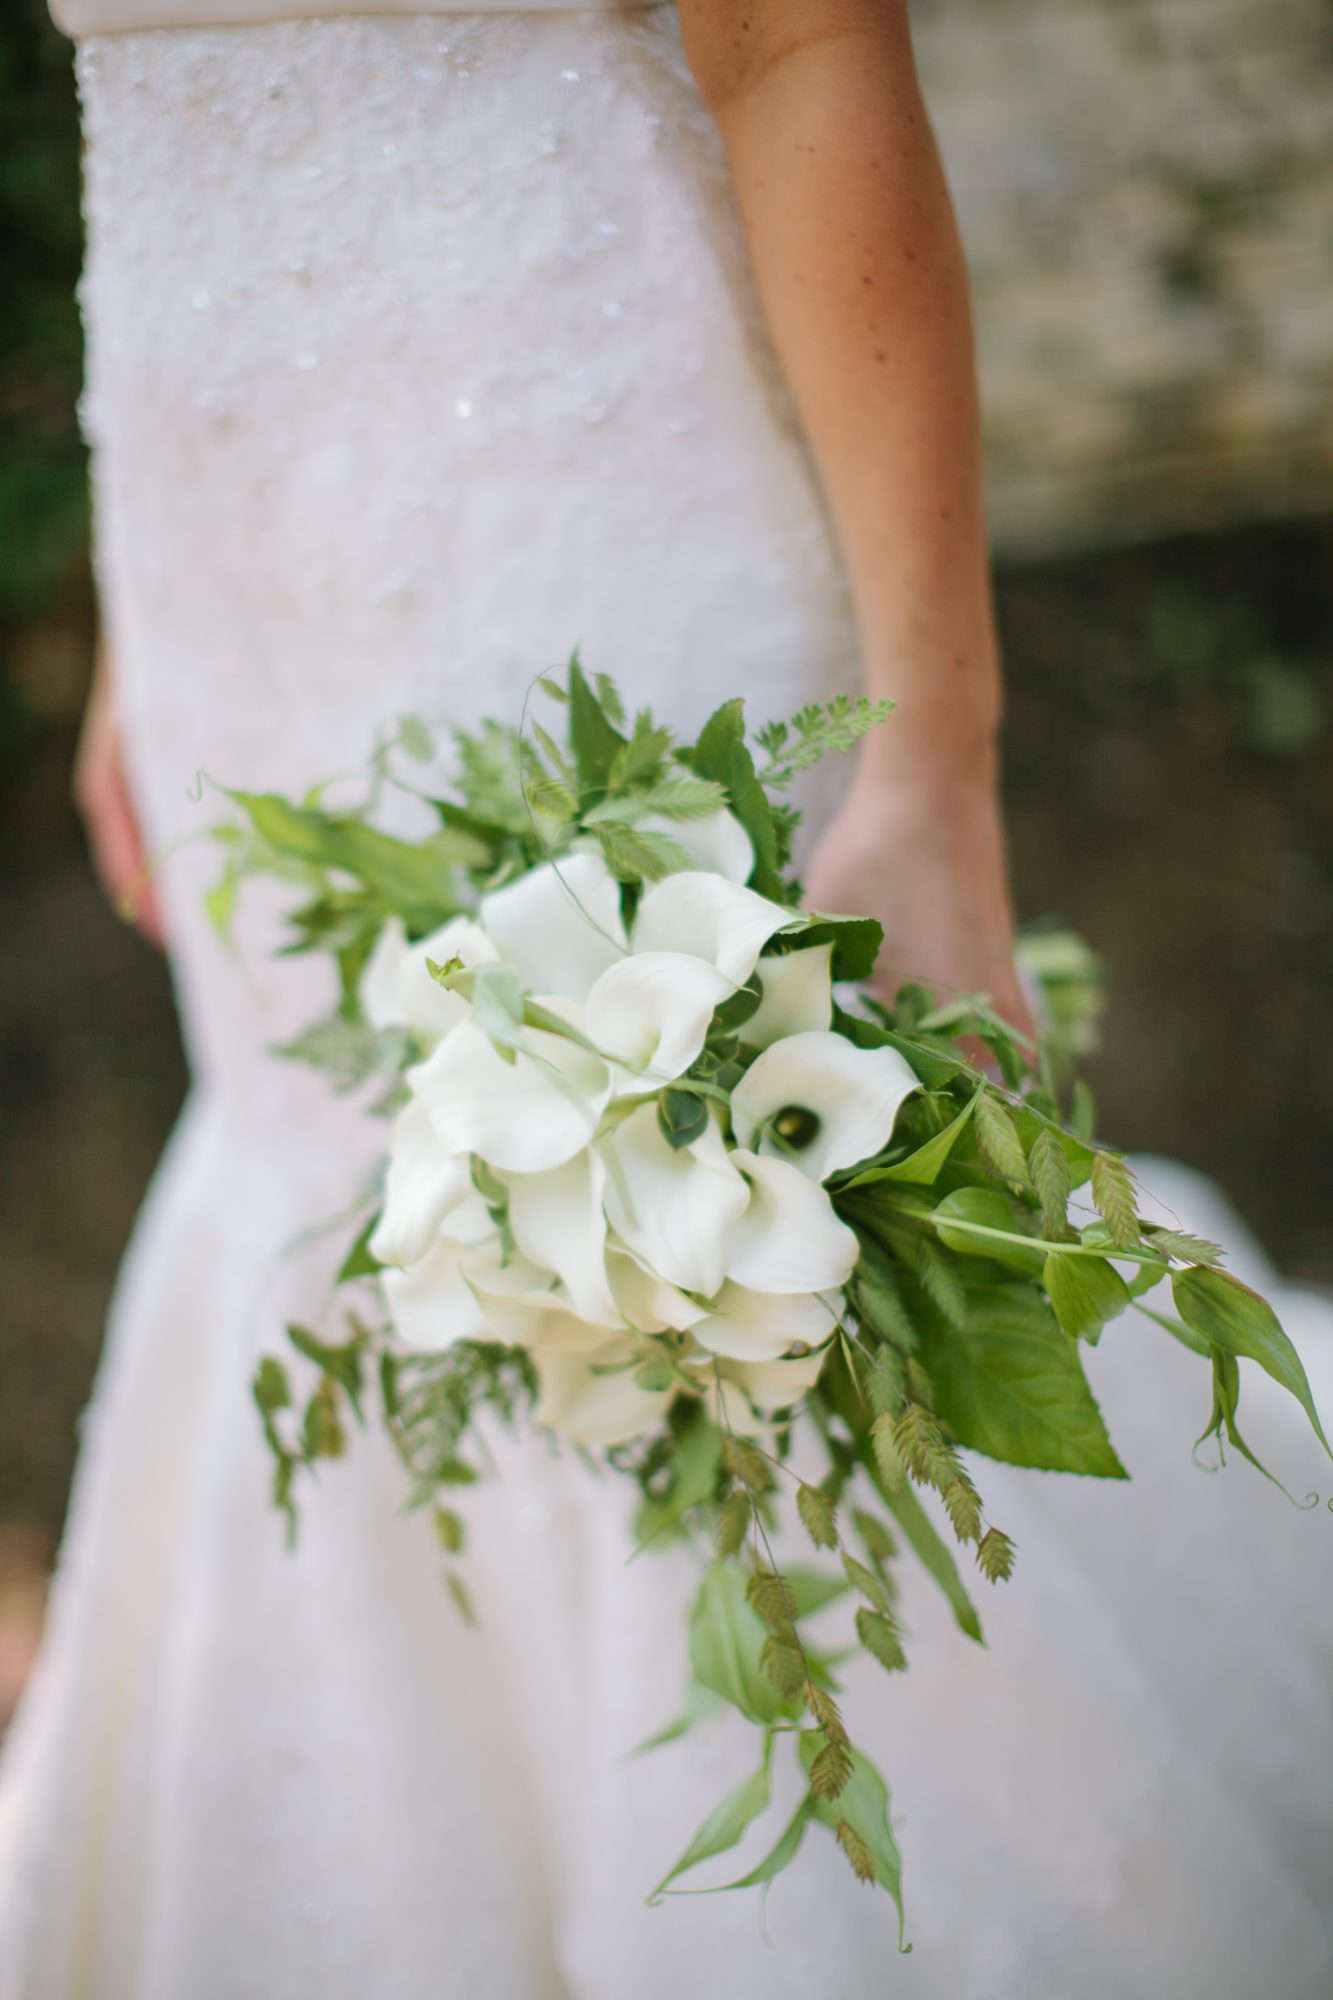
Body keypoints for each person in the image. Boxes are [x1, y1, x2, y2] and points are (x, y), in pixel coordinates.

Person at [3, 2, 1330, 1994]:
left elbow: (798, 45)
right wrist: (152, 580)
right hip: (246, 629)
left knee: (712, 1316)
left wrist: (934, 752)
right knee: (345, 1247)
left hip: (581, 532)